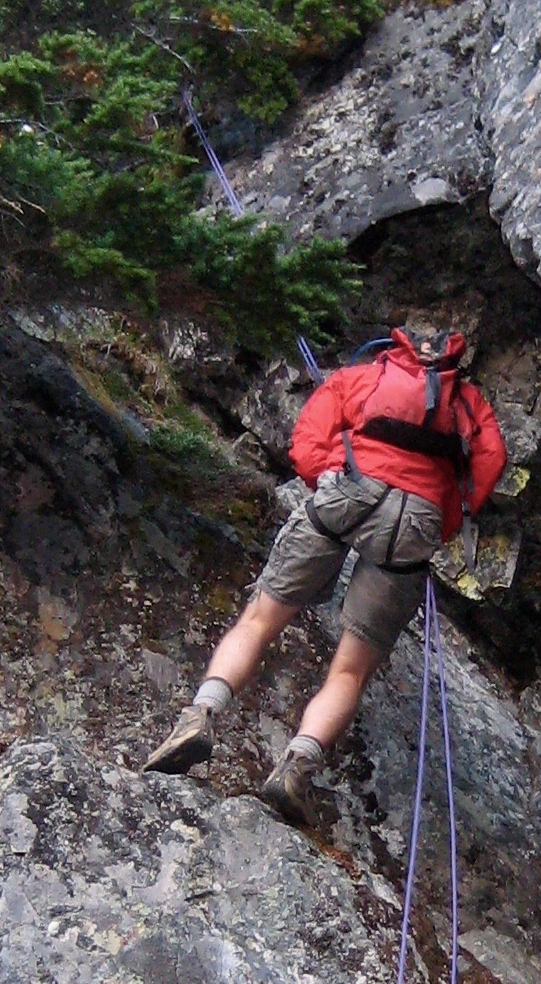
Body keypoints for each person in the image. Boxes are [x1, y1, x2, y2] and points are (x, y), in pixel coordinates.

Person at [144, 324, 508, 826]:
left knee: (260, 619)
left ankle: (200, 715)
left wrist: (328, 482)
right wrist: (441, 519)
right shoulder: (466, 402)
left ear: (396, 348)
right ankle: (296, 766)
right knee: (350, 670)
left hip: (348, 492)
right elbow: (491, 459)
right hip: (414, 522)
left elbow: (308, 438)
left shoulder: (364, 376)